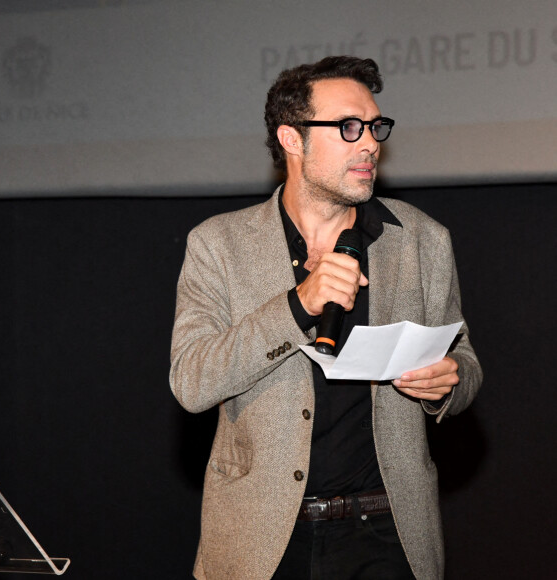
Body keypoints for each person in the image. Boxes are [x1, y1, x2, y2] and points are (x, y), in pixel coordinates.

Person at [170, 56, 482, 580]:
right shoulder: (218, 245)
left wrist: (449, 383)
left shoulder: (423, 240)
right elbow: (192, 382)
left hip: (388, 533)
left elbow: (464, 360)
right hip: (263, 538)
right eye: (349, 128)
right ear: (292, 139)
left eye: (375, 127)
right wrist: (298, 305)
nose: (370, 144)